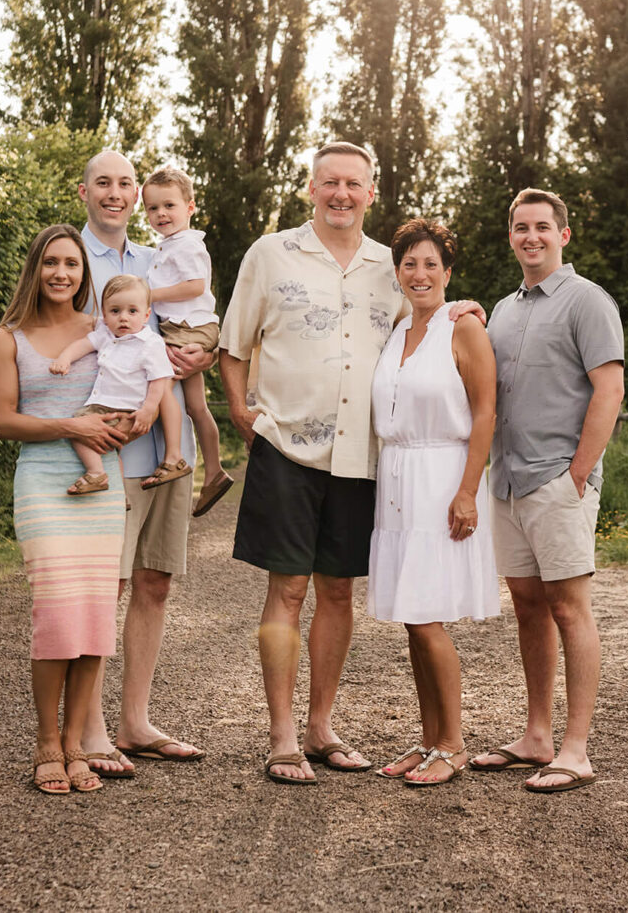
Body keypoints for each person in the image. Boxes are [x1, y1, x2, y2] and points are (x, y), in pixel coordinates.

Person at [219, 142, 481, 785]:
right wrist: (239, 410)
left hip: (359, 455)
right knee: (286, 590)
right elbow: (233, 343)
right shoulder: (270, 253)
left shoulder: (386, 269)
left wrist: (460, 309)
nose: (341, 193)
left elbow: (422, 319)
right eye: (330, 182)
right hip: (285, 445)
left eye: (353, 184)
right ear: (311, 188)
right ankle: (282, 738)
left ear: (371, 191)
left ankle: (320, 728)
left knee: (338, 592)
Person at [471, 188, 624, 795]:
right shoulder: (504, 310)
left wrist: (578, 472)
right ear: (510, 235)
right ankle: (536, 736)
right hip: (507, 481)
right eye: (519, 227)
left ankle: (576, 749)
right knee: (529, 608)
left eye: (541, 226)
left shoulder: (588, 301)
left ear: (564, 234)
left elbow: (608, 390)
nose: (530, 236)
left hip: (557, 477)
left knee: (569, 607)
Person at [73, 151, 210, 773]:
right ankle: (92, 727)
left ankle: (135, 721)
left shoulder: (159, 255)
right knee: (110, 585)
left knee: (155, 582)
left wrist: (202, 356)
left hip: (164, 447)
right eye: (104, 183)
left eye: (125, 183)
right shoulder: (71, 258)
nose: (118, 193)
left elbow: (193, 317)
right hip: (112, 446)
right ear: (84, 193)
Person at [0, 225, 130, 795]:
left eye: (71, 263)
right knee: (55, 614)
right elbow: (5, 421)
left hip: (102, 483)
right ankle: (46, 743)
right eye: (51, 263)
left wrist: (127, 422)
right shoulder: (9, 336)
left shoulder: (103, 329)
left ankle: (75, 744)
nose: (61, 273)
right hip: (43, 482)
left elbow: (141, 379)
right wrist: (70, 425)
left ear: (82, 273)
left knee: (94, 615)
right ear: (36, 268)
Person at [367, 219, 500, 788]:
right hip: (396, 480)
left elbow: (486, 411)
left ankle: (453, 744)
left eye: (430, 265)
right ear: (397, 272)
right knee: (410, 617)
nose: (419, 275)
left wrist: (468, 490)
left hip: (443, 476)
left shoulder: (462, 326)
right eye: (409, 264)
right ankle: (427, 739)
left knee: (426, 618)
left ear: (448, 273)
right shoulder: (398, 331)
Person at [138, 165, 234, 510]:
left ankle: (175, 457)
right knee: (196, 406)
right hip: (191, 326)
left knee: (160, 384)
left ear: (190, 207)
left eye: (169, 206)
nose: (161, 214)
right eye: (152, 208)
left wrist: (150, 294)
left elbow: (196, 286)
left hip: (188, 328)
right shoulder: (169, 246)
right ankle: (215, 473)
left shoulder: (187, 245)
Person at [49, 275, 175, 496]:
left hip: (128, 410)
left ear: (146, 315)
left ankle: (96, 473)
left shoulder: (150, 343)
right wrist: (65, 358)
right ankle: (118, 494)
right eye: (115, 311)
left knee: (80, 430)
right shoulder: (105, 335)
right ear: (104, 316)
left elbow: (159, 380)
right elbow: (83, 344)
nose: (123, 318)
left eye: (132, 311)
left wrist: (148, 409)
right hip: (100, 406)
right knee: (95, 440)